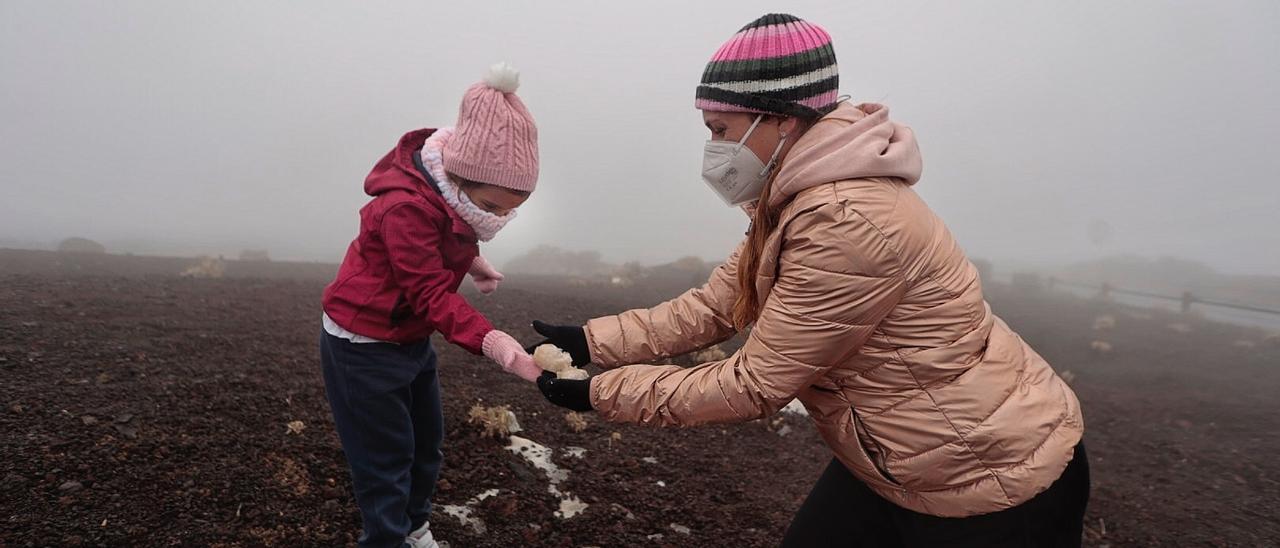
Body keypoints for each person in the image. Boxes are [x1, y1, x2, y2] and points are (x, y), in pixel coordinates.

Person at [533, 14, 1089, 547]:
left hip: (989, 475)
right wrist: (591, 341)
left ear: (781, 118)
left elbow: (754, 384)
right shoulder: (795, 200)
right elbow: (718, 305)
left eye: (720, 129)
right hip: (901, 456)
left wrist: (600, 393)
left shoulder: (846, 221)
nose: (713, 149)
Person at [320, 63, 543, 548]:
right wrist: (496, 344)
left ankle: (414, 528)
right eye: (493, 206)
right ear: (459, 180)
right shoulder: (405, 207)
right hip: (363, 345)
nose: (499, 218)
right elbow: (427, 291)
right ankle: (386, 539)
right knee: (384, 460)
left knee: (425, 448)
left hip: (408, 337)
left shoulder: (451, 197)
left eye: (511, 209)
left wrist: (472, 262)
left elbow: (449, 236)